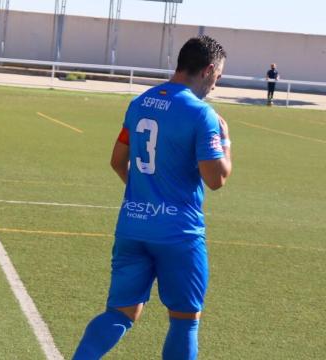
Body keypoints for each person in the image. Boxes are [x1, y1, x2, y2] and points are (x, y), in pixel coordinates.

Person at [73, 35, 232, 360]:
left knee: (120, 313)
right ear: (208, 70)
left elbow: (118, 161)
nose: (216, 85)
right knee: (185, 321)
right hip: (179, 233)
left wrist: (145, 193)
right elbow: (216, 178)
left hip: (133, 226)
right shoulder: (202, 114)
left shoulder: (140, 102)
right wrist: (226, 141)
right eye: (218, 77)